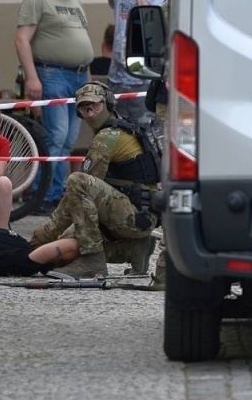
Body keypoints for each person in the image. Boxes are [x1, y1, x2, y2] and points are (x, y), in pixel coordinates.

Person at [27, 82, 160, 278]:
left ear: (107, 104)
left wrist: (46, 233)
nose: (89, 113)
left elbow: (80, 189)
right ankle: (135, 248)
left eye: (94, 106)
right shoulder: (123, 127)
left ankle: (92, 263)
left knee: (77, 181)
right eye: (83, 108)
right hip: (140, 214)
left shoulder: (106, 137)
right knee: (68, 241)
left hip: (133, 215)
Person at [14, 0, 93, 210]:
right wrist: (31, 77)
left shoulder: (75, 1)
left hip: (79, 74)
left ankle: (56, 194)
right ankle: (43, 195)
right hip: (52, 73)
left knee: (69, 139)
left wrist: (89, 82)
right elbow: (22, 39)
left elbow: (82, 42)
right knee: (56, 135)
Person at [84, 0, 168, 123]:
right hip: (117, 81)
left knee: (146, 136)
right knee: (119, 135)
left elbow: (151, 33)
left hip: (144, 81)